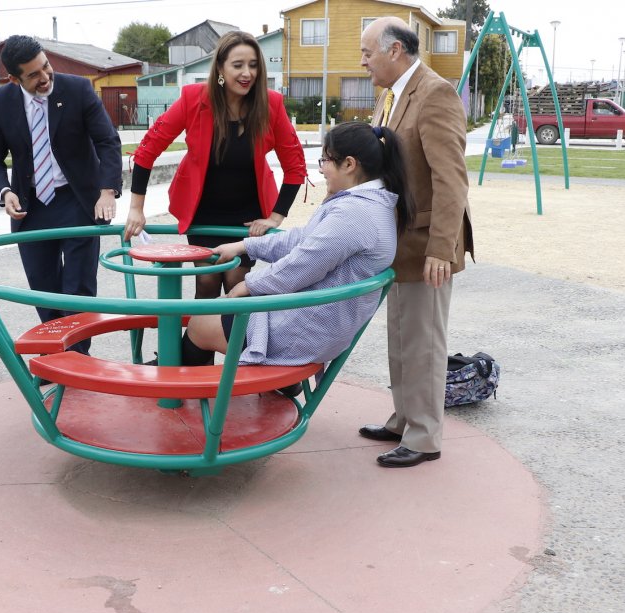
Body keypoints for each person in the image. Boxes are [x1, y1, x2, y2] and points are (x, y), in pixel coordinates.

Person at [181, 122, 410, 374]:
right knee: (213, 315)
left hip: (300, 332)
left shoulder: (354, 213)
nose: (321, 169)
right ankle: (278, 387)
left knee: (198, 324)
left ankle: (176, 389)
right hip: (318, 323)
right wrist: (244, 246)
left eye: (325, 160)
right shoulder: (373, 204)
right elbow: (302, 240)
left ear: (349, 164)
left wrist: (246, 286)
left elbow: (301, 264)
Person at [356, 17, 474, 468]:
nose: (363, 62)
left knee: (424, 341)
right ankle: (404, 418)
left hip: (428, 245)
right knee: (402, 337)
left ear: (394, 52)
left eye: (368, 53)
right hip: (398, 241)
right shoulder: (391, 96)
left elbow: (451, 180)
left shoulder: (435, 93)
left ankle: (425, 436)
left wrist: (443, 248)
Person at [125, 30, 308, 300]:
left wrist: (276, 216)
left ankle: (233, 344)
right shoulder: (193, 99)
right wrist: (136, 209)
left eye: (253, 65)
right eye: (238, 65)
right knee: (208, 284)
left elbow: (295, 165)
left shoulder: (270, 104)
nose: (247, 73)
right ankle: (192, 343)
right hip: (204, 212)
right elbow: (148, 149)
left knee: (238, 286)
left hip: (248, 216)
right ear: (221, 68)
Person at [0, 35, 123, 355]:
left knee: (78, 288)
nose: (45, 78)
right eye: (33, 75)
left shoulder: (77, 89)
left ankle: (77, 357)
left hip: (78, 200)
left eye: (46, 66)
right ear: (14, 79)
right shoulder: (2, 101)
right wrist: (5, 191)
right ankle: (54, 353)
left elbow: (108, 142)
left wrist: (107, 191)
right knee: (43, 286)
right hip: (31, 207)